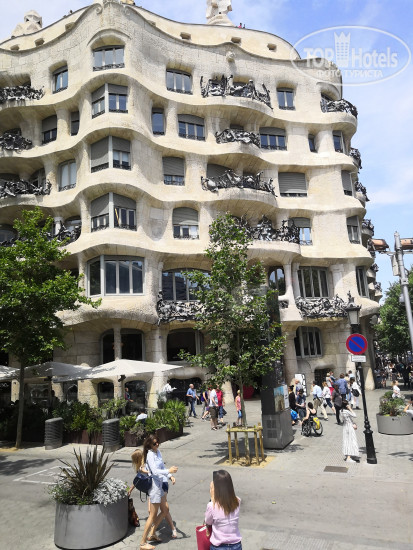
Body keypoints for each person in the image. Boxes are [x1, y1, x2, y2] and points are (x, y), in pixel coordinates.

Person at [139, 434, 178, 549]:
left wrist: (170, 475)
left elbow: (161, 467)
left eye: (158, 442)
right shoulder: (150, 455)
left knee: (165, 509)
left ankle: (152, 533)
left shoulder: (158, 452)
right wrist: (169, 471)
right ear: (149, 445)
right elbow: (155, 472)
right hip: (155, 487)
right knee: (152, 515)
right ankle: (143, 542)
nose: (157, 444)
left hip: (160, 485)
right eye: (154, 443)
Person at [205, 470, 242, 550]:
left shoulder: (211, 506)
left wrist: (212, 498)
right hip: (236, 545)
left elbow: (208, 522)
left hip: (219, 546)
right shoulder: (238, 501)